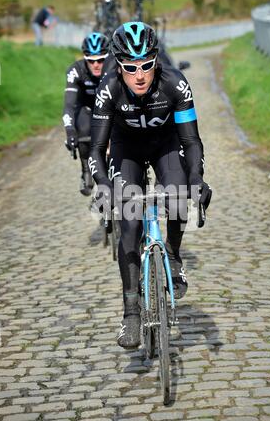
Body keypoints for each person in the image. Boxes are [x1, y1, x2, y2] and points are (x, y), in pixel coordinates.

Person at [89, 22, 212, 348]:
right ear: (119, 66)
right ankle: (131, 313)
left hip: (165, 145)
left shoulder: (174, 83)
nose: (140, 74)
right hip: (126, 149)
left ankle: (172, 254)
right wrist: (102, 185)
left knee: (178, 194)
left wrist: (198, 179)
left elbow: (192, 141)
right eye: (130, 67)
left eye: (146, 65)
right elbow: (97, 150)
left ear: (156, 60)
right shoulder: (109, 88)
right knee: (129, 224)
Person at [63, 32, 110, 196]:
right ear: (84, 58)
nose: (96, 64)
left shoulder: (115, 67)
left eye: (101, 59)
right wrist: (69, 130)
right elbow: (69, 104)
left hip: (109, 107)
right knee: (83, 130)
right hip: (86, 108)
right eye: (91, 60)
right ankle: (86, 170)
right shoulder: (76, 70)